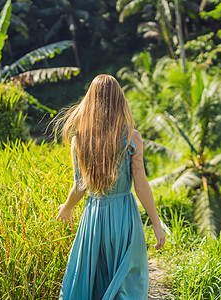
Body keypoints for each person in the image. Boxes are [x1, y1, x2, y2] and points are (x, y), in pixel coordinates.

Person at [52, 74, 166, 300]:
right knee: (128, 284)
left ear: (90, 101)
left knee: (94, 282)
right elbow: (141, 185)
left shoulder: (79, 139)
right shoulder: (132, 137)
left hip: (93, 220)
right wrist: (156, 223)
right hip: (124, 218)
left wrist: (66, 208)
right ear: (119, 100)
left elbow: (79, 187)